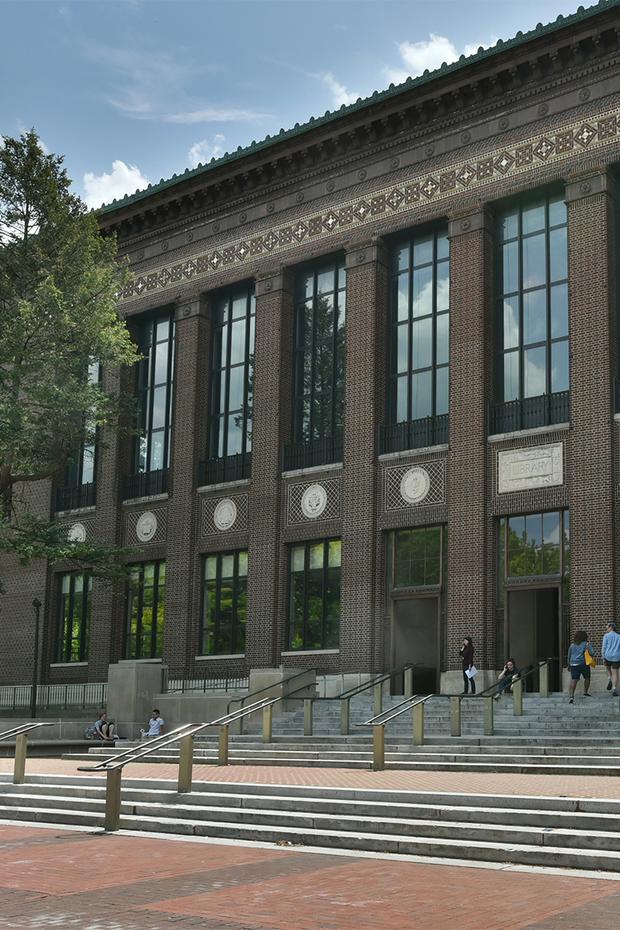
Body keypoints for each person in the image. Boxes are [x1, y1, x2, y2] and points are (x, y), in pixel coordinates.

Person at [567, 630, 595, 703]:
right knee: (587, 678)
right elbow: (592, 653)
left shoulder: (572, 645)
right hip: (583, 664)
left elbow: (569, 656)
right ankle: (585, 692)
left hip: (573, 664)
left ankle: (571, 696)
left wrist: (569, 665)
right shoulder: (586, 644)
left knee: (574, 679)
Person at [602, 621, 620, 696]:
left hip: (608, 656)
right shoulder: (619, 636)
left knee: (607, 668)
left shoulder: (606, 636)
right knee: (615, 672)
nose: (606, 629)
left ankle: (609, 679)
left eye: (607, 627)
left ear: (611, 627)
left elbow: (604, 647)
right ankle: (614, 688)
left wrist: (603, 656)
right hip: (616, 656)